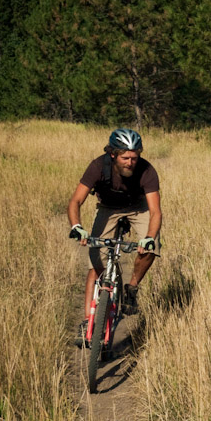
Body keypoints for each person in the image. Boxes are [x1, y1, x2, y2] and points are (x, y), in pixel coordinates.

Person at [67, 128, 162, 338]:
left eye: (134, 158)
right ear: (113, 154)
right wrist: (77, 226)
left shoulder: (147, 170)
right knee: (96, 265)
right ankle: (87, 323)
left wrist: (148, 237)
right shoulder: (98, 166)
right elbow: (75, 201)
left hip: (138, 207)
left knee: (152, 246)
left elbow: (155, 211)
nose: (130, 162)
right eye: (125, 157)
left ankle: (132, 288)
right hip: (108, 209)